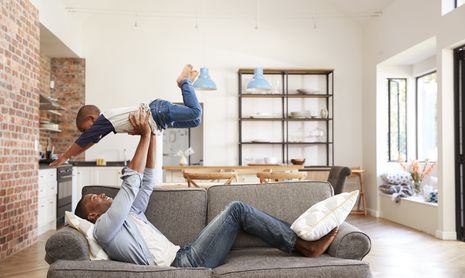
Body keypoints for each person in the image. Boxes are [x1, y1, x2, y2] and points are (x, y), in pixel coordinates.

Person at [73, 112, 339, 268]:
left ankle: (299, 242)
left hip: (183, 252)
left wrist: (153, 134)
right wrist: (143, 136)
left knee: (236, 210)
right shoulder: (105, 229)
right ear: (92, 216)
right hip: (182, 266)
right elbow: (131, 184)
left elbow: (148, 179)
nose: (102, 195)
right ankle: (303, 247)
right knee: (236, 209)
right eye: (94, 198)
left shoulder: (130, 214)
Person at [50, 64, 201, 167]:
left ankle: (184, 82)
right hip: (161, 119)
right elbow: (89, 142)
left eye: (85, 129)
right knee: (195, 121)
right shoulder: (106, 126)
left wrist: (65, 156)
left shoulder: (105, 119)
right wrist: (71, 156)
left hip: (157, 112)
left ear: (92, 119)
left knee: (195, 111)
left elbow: (84, 140)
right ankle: (189, 84)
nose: (86, 132)